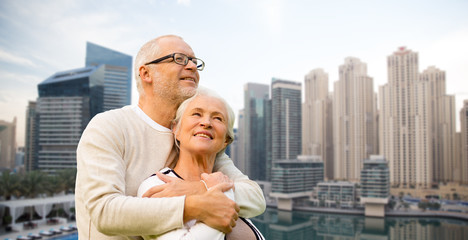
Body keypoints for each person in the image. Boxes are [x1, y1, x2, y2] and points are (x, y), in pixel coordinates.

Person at [75, 35, 266, 239]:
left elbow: (254, 197)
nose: (192, 66)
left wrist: (198, 188)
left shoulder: (195, 139)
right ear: (146, 73)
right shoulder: (110, 126)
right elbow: (104, 212)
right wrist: (194, 206)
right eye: (179, 59)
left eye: (194, 61)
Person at [137, 87, 265, 239]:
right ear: (176, 128)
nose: (206, 122)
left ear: (226, 140)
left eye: (218, 118)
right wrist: (221, 194)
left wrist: (208, 188)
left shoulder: (225, 181)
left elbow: (257, 201)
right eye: (196, 114)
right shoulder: (158, 185)